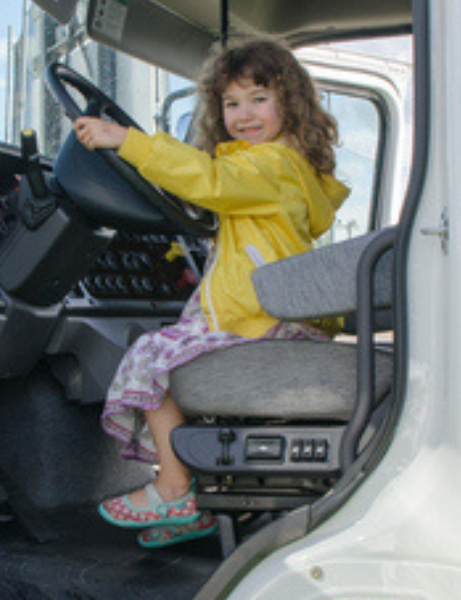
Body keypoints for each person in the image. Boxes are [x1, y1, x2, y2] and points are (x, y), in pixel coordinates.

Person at [73, 37, 350, 549]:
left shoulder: (272, 165)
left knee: (149, 353)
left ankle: (174, 485)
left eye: (259, 98)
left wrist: (127, 141)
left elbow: (209, 179)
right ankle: (200, 496)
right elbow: (214, 186)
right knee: (175, 348)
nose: (243, 114)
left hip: (262, 322)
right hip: (273, 317)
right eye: (230, 103)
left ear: (291, 104)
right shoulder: (277, 167)